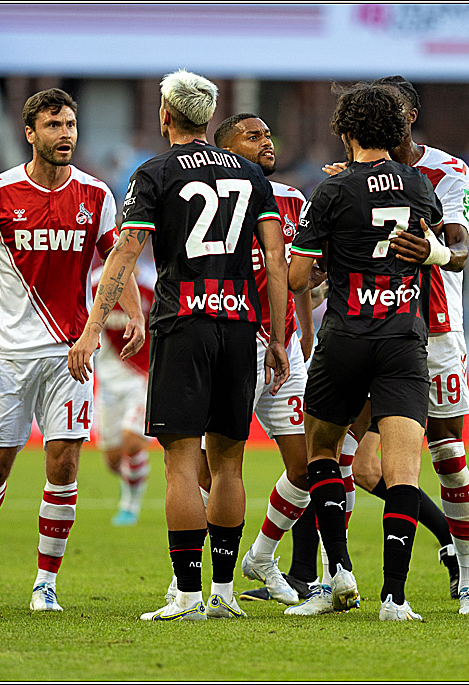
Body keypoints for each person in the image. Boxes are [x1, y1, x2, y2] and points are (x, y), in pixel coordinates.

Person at [68, 70, 290, 621]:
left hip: (183, 322)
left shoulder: (154, 173)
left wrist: (94, 327)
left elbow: (124, 254)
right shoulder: (251, 175)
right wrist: (280, 337)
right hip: (241, 325)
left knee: (182, 465)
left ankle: (188, 597)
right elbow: (277, 261)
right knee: (231, 464)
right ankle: (223, 595)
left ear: (166, 115)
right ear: (209, 118)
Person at [0, 88, 145, 612]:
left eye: (72, 125)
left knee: (63, 465)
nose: (66, 134)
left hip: (71, 354)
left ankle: (45, 583)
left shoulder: (96, 195)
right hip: (7, 356)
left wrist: (134, 310)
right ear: (30, 133)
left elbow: (118, 256)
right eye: (54, 125)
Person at [287, 81, 448, 621]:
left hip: (347, 337)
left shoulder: (329, 192)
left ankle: (338, 575)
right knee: (404, 472)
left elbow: (297, 276)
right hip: (403, 339)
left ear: (346, 131)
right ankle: (395, 599)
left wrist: (333, 258)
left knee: (323, 452)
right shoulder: (419, 186)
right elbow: (442, 248)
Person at [336, 75, 469, 615]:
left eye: (395, 110)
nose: (387, 119)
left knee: (447, 454)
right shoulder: (349, 175)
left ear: (412, 114)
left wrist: (432, 247)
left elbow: (460, 243)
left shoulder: (446, 170)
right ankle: (327, 577)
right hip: (366, 324)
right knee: (344, 458)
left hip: (435, 328)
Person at [173, 112, 315, 607]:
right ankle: (192, 577)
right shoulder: (208, 201)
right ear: (228, 151)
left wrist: (304, 340)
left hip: (284, 347)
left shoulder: (296, 201)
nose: (267, 141)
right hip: (231, 340)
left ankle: (261, 555)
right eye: (254, 137)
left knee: (307, 467)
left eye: (269, 132)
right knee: (212, 472)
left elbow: (298, 281)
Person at [90, 261, 156, 526]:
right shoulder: (96, 284)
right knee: (114, 460)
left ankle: (130, 506)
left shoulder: (152, 284)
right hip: (108, 379)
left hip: (142, 378)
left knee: (131, 441)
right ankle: (135, 474)